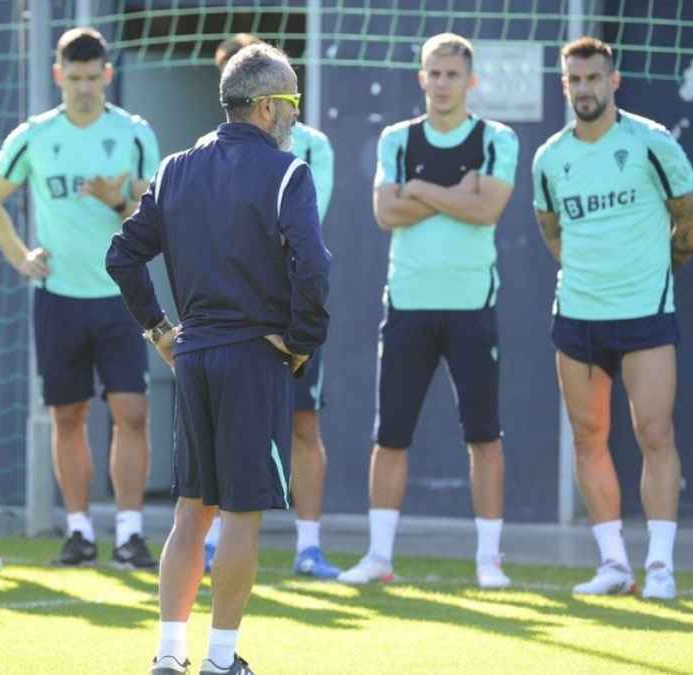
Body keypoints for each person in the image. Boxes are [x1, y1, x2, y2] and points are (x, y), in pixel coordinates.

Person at [107, 43, 330, 675]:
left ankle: (168, 656)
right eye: (291, 101)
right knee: (240, 515)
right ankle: (221, 659)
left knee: (190, 512)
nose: (294, 113)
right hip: (254, 355)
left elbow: (122, 256)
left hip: (195, 355)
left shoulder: (176, 166)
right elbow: (314, 267)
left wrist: (159, 332)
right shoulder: (289, 172)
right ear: (265, 107)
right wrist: (302, 340)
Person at [337, 33, 519, 589]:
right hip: (408, 305)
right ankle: (379, 556)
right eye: (433, 74)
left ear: (471, 81)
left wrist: (419, 191)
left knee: (483, 436)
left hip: (471, 306)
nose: (442, 84)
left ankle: (489, 561)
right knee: (389, 435)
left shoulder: (496, 138)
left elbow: (488, 208)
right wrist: (449, 192)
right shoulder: (397, 139)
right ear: (422, 78)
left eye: (452, 75)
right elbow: (385, 213)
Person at [532, 37, 693, 600]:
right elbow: (551, 230)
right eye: (574, 80)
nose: (584, 88)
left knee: (655, 434)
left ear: (613, 81)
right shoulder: (550, 157)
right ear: (564, 86)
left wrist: (653, 271)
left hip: (645, 315)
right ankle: (613, 565)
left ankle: (660, 567)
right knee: (588, 439)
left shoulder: (652, 143)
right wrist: (592, 276)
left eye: (593, 78)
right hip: (577, 317)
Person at [0, 28, 161, 569]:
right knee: (68, 414)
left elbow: (155, 212)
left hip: (121, 294)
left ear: (107, 75)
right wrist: (19, 257)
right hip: (59, 296)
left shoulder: (132, 133)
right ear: (58, 76)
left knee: (131, 412)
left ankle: (129, 532)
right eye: (73, 77)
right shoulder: (35, 135)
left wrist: (121, 198)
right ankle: (79, 530)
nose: (83, 87)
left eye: (93, 77)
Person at [201, 33, 339, 580]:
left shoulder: (312, 147)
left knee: (304, 424)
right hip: (233, 312)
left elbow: (304, 227)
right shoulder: (207, 149)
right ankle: (210, 539)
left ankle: (309, 546)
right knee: (221, 427)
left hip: (290, 310)